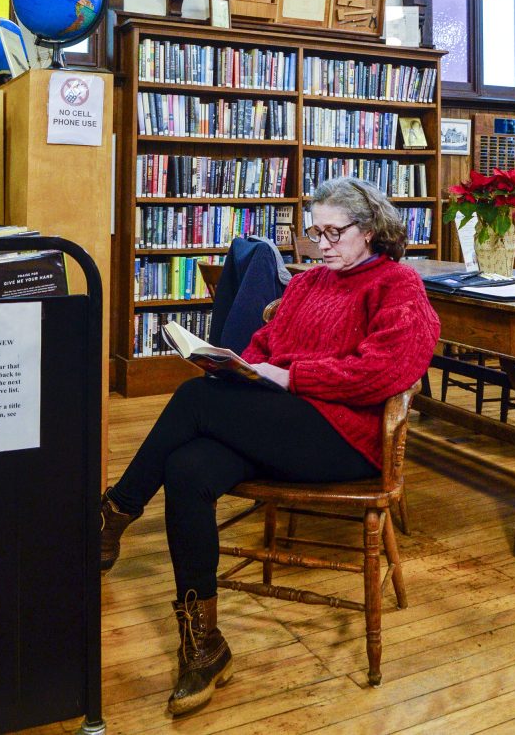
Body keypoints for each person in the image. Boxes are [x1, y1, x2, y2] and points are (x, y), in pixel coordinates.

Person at [100, 176, 441, 716]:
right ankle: (203, 645)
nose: (322, 244)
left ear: (371, 230)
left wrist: (292, 376)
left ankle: (113, 514)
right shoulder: (308, 285)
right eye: (316, 232)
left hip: (345, 440)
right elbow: (265, 344)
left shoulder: (398, 285)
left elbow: (385, 371)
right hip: (282, 427)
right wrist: (238, 367)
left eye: (334, 232)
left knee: (194, 399)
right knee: (188, 468)